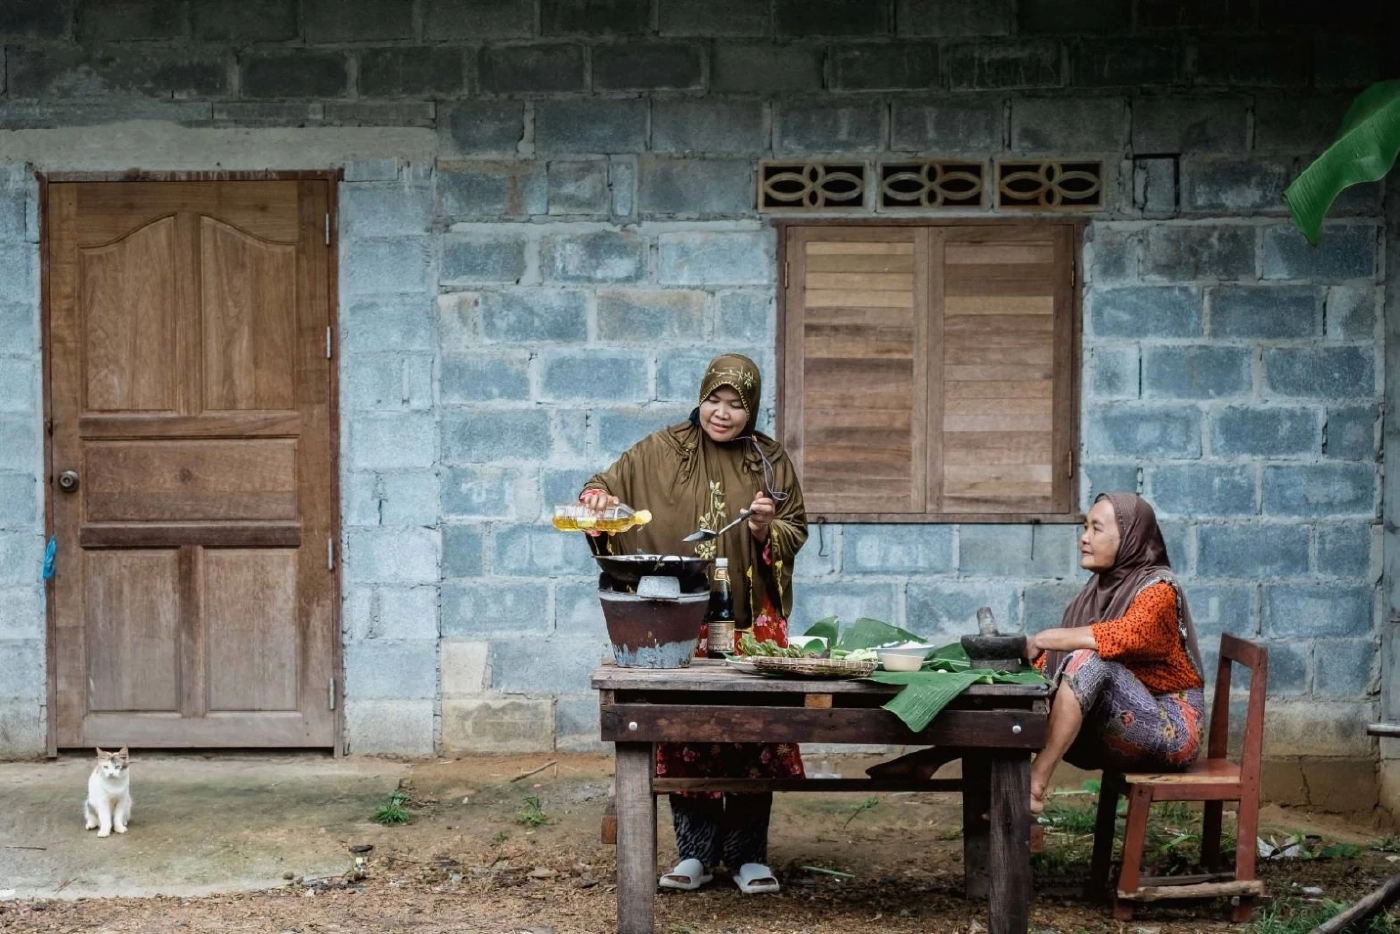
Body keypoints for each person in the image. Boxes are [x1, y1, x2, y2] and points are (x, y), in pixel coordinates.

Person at [579, 353, 808, 895]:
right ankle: (695, 855)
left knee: (754, 735)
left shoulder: (770, 460)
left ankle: (749, 854)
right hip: (682, 619)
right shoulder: (660, 449)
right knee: (687, 733)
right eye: (714, 400)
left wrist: (764, 529)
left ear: (751, 408)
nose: (722, 414)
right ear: (701, 397)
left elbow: (795, 530)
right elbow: (604, 486)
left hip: (751, 622)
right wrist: (597, 498)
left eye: (735, 404)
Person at [1024, 492, 1206, 815]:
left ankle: (1035, 783)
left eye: (1096, 529)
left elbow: (1124, 636)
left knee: (1088, 661)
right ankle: (945, 765)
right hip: (1121, 718)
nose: (1084, 538)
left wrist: (1047, 638)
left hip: (1172, 727)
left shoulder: (1159, 590)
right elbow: (1056, 665)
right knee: (1029, 691)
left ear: (1131, 539)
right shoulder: (1100, 589)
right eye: (1084, 527)